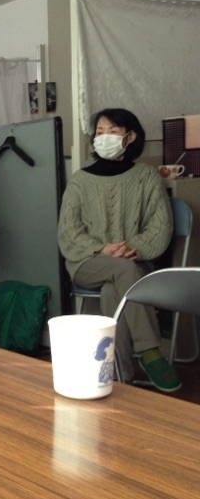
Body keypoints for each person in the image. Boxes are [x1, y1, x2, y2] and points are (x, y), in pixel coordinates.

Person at [57, 108, 179, 392]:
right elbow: (69, 231)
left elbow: (160, 227)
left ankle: (119, 373)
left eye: (112, 131)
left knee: (115, 288)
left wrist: (130, 249)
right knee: (123, 272)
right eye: (99, 132)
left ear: (130, 136)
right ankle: (150, 352)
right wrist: (102, 249)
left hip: (132, 263)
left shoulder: (146, 176)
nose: (104, 137)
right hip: (87, 262)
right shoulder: (80, 180)